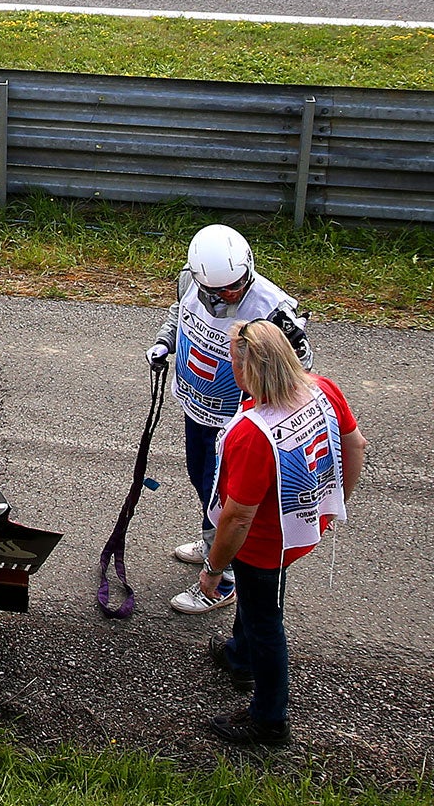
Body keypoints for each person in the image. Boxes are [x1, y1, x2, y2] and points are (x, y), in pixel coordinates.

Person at [197, 319, 364, 746]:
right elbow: (355, 444)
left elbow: (237, 517)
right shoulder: (323, 388)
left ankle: (269, 718)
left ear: (245, 369)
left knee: (266, 619)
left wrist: (214, 569)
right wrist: (335, 500)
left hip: (266, 544)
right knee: (257, 604)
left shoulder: (252, 435)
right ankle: (239, 655)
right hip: (303, 521)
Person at [149, 224, 311, 613]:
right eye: (219, 291)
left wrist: (261, 408)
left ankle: (223, 578)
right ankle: (211, 542)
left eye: (236, 286)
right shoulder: (190, 281)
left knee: (224, 497)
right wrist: (164, 341)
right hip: (196, 410)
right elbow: (180, 311)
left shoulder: (273, 308)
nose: (230, 295)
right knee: (201, 479)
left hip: (237, 425)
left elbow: (300, 367)